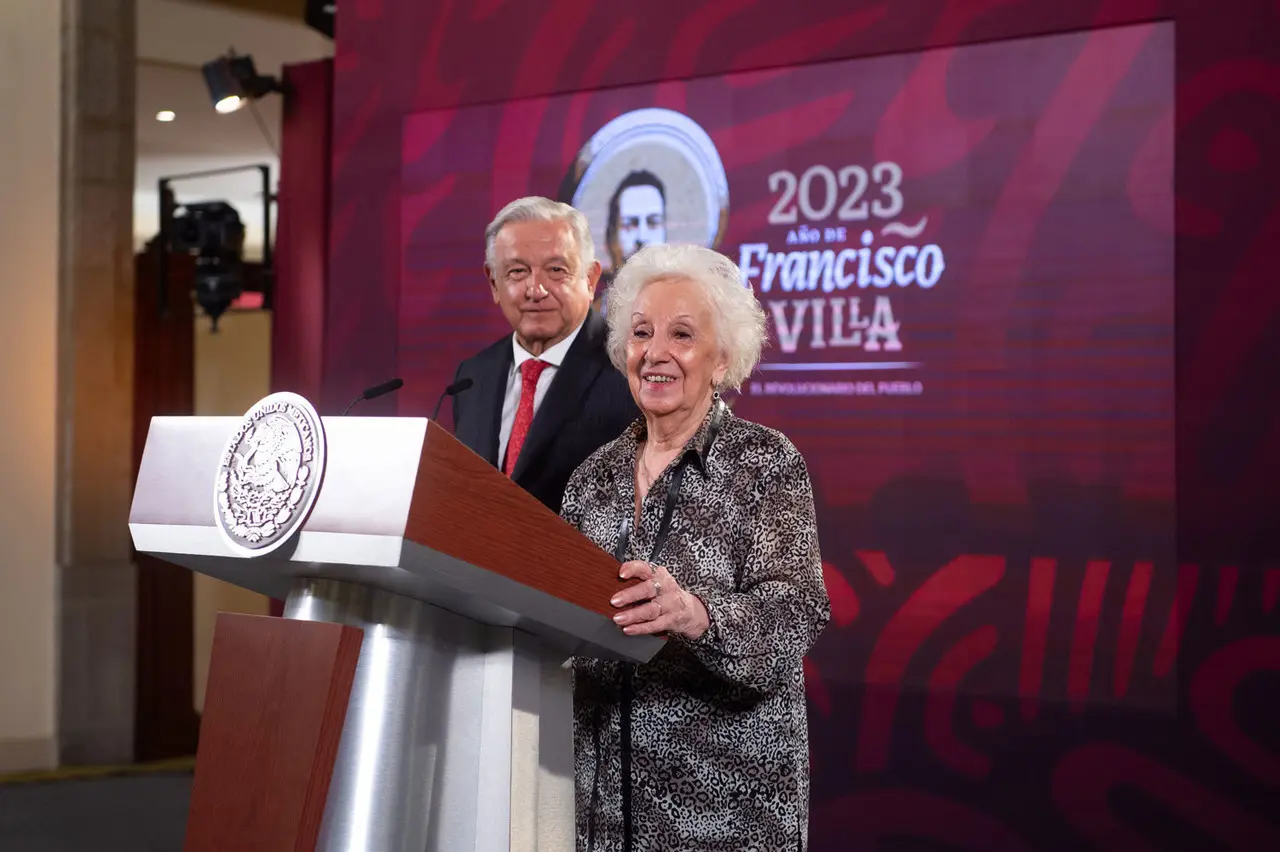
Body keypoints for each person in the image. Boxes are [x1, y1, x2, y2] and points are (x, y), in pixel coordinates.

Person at [560, 243, 831, 851]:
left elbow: (797, 610)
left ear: (723, 359)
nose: (655, 353)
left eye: (681, 335)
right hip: (603, 810)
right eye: (640, 333)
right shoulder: (591, 478)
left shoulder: (765, 462)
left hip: (727, 812)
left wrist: (695, 614)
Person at [451, 197, 638, 513]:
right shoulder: (471, 377)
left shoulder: (629, 367)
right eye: (517, 271)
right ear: (494, 282)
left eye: (556, 270)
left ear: (591, 279)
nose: (536, 289)